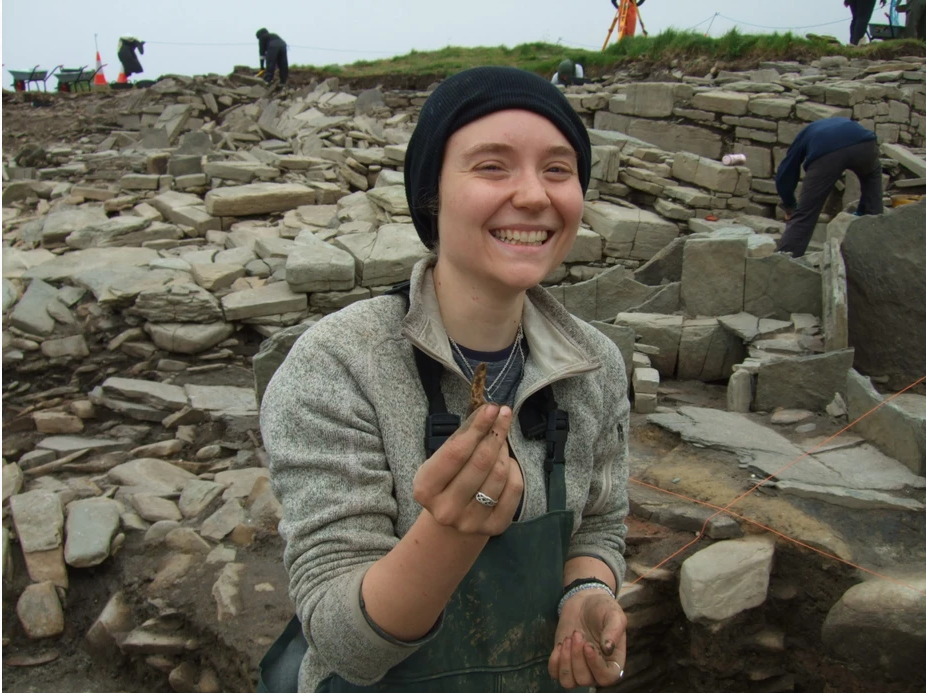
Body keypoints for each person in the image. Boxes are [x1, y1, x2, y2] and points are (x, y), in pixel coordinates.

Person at [260, 66, 631, 693]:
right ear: (429, 194)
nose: (535, 195)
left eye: (558, 169)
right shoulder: (337, 365)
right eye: (492, 166)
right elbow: (341, 642)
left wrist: (588, 591)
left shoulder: (594, 362)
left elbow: (599, 521)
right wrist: (449, 535)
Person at [775, 117, 883, 258]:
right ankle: (875, 245)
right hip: (866, 144)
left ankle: (784, 262)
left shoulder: (805, 135)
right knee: (872, 179)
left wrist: (790, 206)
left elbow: (785, 173)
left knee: (805, 214)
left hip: (828, 153)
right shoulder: (839, 122)